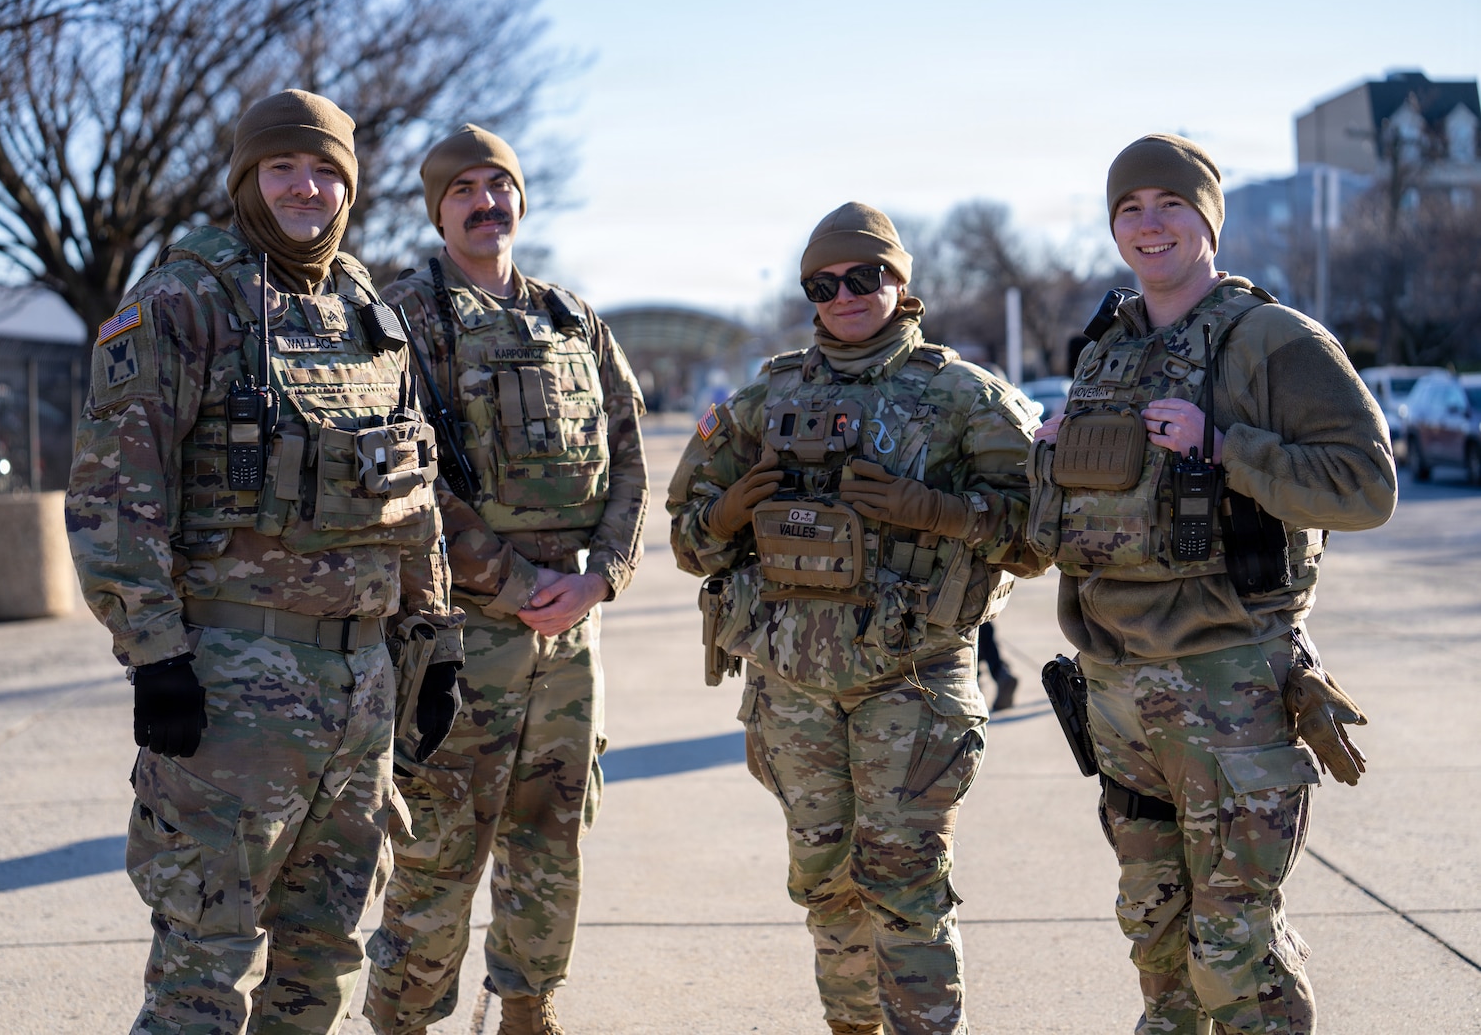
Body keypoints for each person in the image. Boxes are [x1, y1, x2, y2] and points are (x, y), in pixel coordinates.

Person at [65, 89, 464, 1035]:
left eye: (327, 169)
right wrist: (155, 654)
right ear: (247, 176)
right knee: (206, 963)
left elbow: (414, 487)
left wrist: (435, 633)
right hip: (233, 692)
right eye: (283, 166)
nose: (307, 186)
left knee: (319, 959)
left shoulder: (368, 309)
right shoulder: (182, 300)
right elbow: (114, 493)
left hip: (363, 687)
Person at [1027, 134, 1395, 1034]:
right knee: (1158, 946)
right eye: (1129, 209)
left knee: (1235, 955)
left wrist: (1225, 445)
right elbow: (1054, 534)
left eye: (1170, 204)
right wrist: (1053, 457)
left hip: (1228, 688)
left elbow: (1366, 487)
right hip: (1118, 692)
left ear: (1207, 217)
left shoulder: (1273, 339)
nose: (1149, 225)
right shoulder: (1105, 350)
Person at [667, 203, 1048, 1035]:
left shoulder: (966, 398)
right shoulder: (764, 399)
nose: (844, 293)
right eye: (824, 282)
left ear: (901, 281)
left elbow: (1039, 537)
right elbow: (687, 542)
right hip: (791, 684)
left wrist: (939, 512)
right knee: (823, 883)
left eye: (865, 275)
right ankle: (851, 1025)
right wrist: (727, 512)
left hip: (910, 683)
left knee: (905, 884)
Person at [363, 124, 648, 1035]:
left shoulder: (573, 319)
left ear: (521, 199)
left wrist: (601, 577)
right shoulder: (401, 319)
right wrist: (514, 582)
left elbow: (632, 458)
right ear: (437, 210)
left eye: (500, 185)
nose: (486, 203)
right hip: (458, 635)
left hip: (570, 635)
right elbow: (405, 480)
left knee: (552, 835)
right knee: (438, 848)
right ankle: (404, 1018)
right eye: (464, 191)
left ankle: (530, 1005)